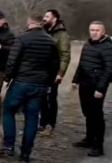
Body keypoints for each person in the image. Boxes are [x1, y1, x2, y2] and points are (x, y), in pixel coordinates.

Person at [0, 14, 59, 162]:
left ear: (29, 22)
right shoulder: (50, 41)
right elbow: (55, 65)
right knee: (32, 117)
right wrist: (49, 83)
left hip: (22, 82)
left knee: (8, 111)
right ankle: (26, 153)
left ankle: (8, 147)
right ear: (41, 23)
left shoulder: (22, 39)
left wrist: (7, 78)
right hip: (40, 84)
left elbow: (12, 60)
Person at [71, 21, 112, 157]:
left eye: (97, 30)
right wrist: (75, 80)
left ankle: (98, 146)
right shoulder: (87, 44)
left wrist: (101, 88)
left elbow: (109, 69)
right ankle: (89, 139)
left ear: (103, 31)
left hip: (97, 85)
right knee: (87, 113)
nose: (94, 32)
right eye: (92, 30)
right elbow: (82, 63)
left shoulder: (107, 47)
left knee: (96, 115)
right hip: (85, 83)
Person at [39, 9, 71, 137]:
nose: (44, 18)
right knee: (41, 98)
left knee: (51, 98)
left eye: (47, 16)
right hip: (41, 72)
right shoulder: (43, 31)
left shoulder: (62, 35)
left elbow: (65, 55)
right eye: (44, 16)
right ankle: (42, 123)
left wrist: (61, 73)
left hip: (53, 72)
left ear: (55, 19)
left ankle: (50, 125)